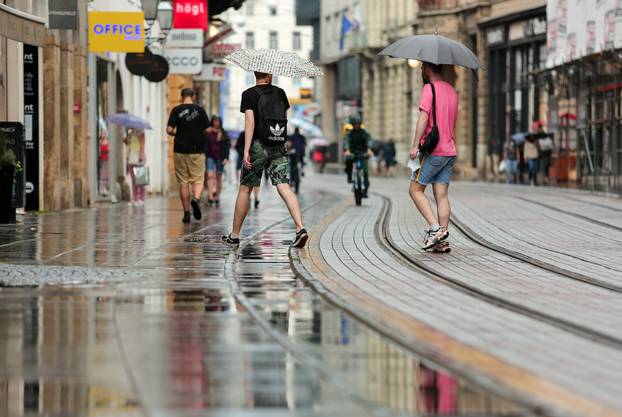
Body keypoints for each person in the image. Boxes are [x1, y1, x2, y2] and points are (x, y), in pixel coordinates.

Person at [222, 71, 308, 248]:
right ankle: (300, 228)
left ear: (255, 75)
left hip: (258, 146)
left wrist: (246, 150)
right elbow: (284, 120)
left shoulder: (249, 94)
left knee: (246, 189)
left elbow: (250, 123)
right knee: (284, 186)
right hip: (278, 145)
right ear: (269, 75)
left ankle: (235, 235)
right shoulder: (280, 93)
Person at [409, 62, 458, 250]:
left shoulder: (429, 88)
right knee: (442, 196)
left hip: (434, 151)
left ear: (428, 69)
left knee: (415, 190)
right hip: (449, 150)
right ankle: (442, 241)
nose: (422, 71)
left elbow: (423, 118)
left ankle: (435, 229)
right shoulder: (452, 91)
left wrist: (415, 145)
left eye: (422, 68)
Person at [167, 88, 210, 223]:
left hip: (180, 149)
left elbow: (169, 130)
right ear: (193, 96)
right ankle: (196, 199)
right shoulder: (200, 110)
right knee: (198, 179)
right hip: (197, 149)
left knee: (183, 181)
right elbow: (208, 129)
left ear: (181, 96)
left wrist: (178, 134)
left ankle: (186, 213)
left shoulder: (176, 110)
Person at [343, 115, 373, 197]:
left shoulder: (364, 132)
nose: (356, 125)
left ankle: (365, 189)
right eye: (355, 124)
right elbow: (346, 141)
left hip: (363, 153)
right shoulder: (349, 133)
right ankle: (349, 176)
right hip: (352, 153)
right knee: (348, 161)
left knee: (366, 172)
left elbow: (369, 140)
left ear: (360, 124)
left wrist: (369, 149)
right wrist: (347, 150)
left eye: (358, 124)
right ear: (352, 125)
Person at [204, 116, 230, 206]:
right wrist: (204, 155)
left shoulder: (223, 133)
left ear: (220, 122)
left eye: (218, 121)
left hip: (220, 157)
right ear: (212, 122)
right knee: (209, 175)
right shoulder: (208, 132)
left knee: (219, 177)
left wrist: (226, 158)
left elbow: (227, 146)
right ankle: (210, 196)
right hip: (210, 156)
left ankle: (217, 196)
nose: (216, 123)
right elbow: (204, 143)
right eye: (215, 121)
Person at [235, 130, 261, 208]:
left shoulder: (257, 134)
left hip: (253, 158)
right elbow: (238, 146)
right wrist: (244, 153)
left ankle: (255, 197)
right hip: (247, 159)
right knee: (250, 180)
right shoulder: (243, 134)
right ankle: (250, 197)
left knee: (255, 179)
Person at [125, 128, 146, 205]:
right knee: (133, 180)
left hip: (138, 157)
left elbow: (142, 145)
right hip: (131, 157)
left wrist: (141, 155)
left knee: (140, 179)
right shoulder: (131, 133)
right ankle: (134, 198)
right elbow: (129, 144)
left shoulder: (141, 132)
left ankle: (141, 198)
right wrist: (126, 141)